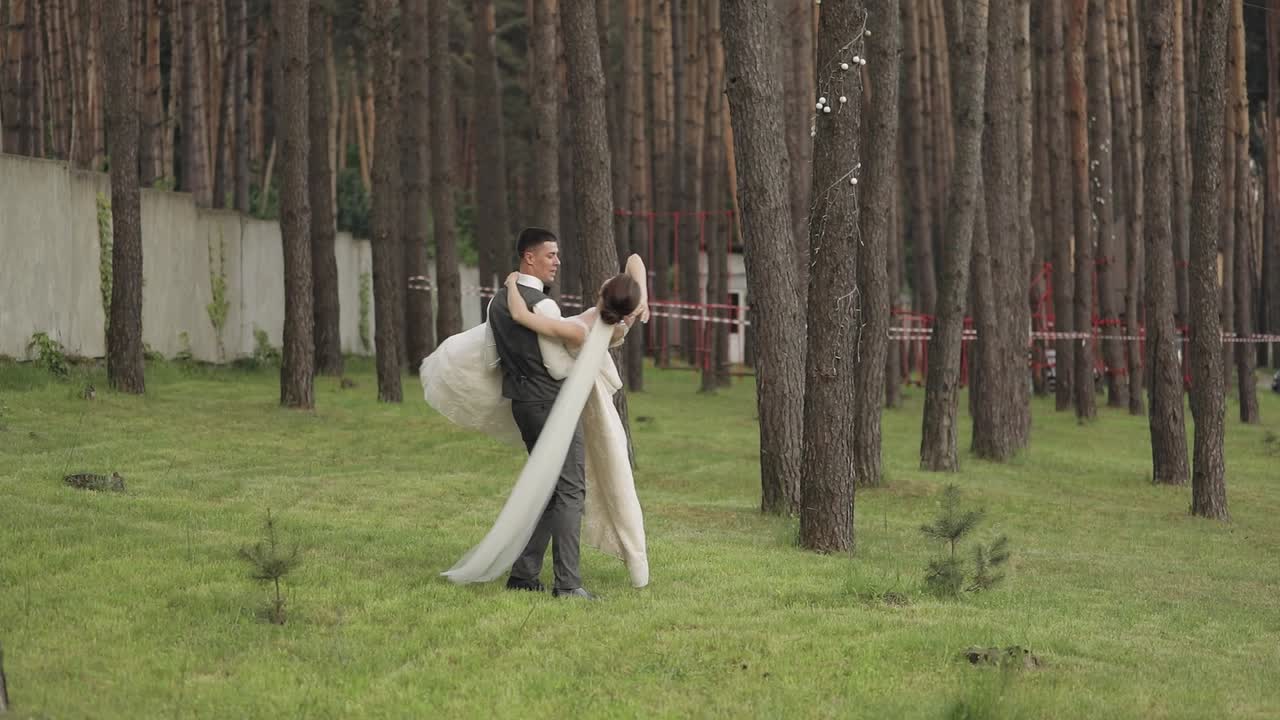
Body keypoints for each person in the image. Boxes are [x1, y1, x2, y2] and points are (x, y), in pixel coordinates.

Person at [420, 227, 650, 598]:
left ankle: (524, 574)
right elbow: (557, 367)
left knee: (549, 490)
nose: (557, 262)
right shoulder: (549, 307)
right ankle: (568, 583)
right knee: (571, 491)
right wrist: (643, 301)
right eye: (551, 255)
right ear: (530, 257)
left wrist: (510, 285)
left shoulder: (498, 301)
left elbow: (497, 350)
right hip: (550, 404)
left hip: (523, 402)